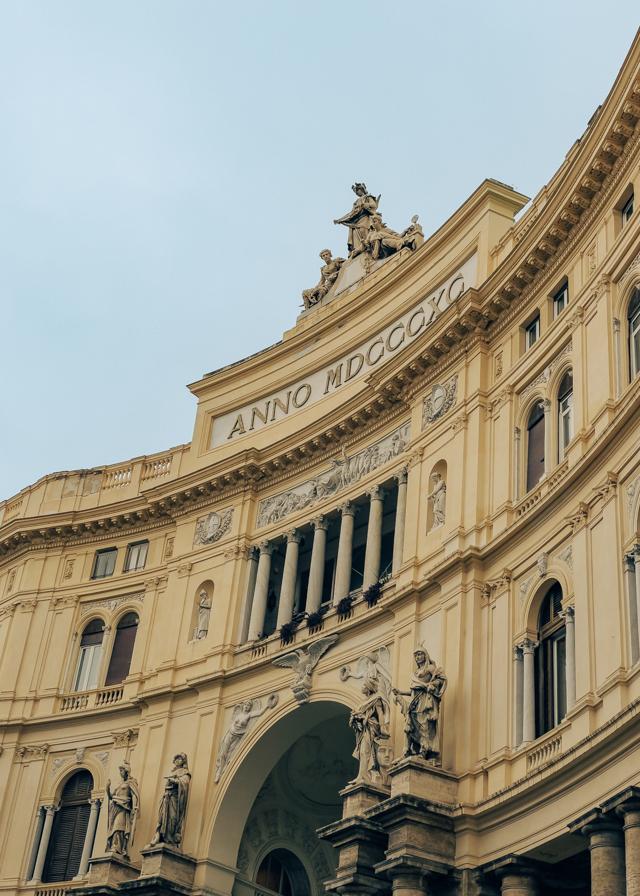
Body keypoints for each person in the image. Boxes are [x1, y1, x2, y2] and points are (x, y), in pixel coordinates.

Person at [392, 646, 447, 763]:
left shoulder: (431, 668)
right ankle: (410, 750)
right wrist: (400, 692)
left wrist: (432, 685)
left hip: (425, 700)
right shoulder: (416, 672)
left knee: (424, 725)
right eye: (416, 655)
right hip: (415, 701)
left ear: (425, 655)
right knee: (411, 725)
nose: (418, 657)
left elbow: (441, 680)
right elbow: (413, 691)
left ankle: (424, 751)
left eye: (420, 654)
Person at [349, 674, 390, 782]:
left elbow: (380, 714)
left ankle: (365, 775)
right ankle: (362, 775)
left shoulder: (376, 699)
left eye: (364, 685)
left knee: (365, 751)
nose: (362, 687)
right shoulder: (364, 701)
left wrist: (382, 728)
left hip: (371, 726)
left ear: (368, 687)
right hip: (364, 727)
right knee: (362, 751)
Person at [150, 753, 191, 849]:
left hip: (174, 799)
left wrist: (175, 781)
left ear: (183, 761)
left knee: (172, 818)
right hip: (166, 798)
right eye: (176, 759)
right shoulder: (172, 771)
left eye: (180, 759)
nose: (177, 761)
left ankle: (169, 838)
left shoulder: (185, 772)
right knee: (162, 817)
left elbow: (185, 782)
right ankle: (160, 836)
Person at [334, 183, 380, 257]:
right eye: (356, 191)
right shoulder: (356, 202)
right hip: (355, 222)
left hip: (364, 218)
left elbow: (374, 205)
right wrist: (340, 219)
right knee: (356, 237)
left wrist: (365, 205)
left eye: (358, 190)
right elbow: (351, 214)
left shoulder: (367, 197)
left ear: (362, 190)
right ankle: (360, 251)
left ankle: (371, 248)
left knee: (365, 233)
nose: (357, 192)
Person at [105, 761, 139, 855]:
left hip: (123, 808)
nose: (120, 772)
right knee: (113, 828)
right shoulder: (120, 784)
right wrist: (107, 788)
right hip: (115, 808)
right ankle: (114, 846)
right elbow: (111, 797)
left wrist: (135, 807)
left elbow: (134, 795)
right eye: (120, 770)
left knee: (118, 827)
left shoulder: (131, 782)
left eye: (121, 770)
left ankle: (117, 848)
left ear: (126, 771)